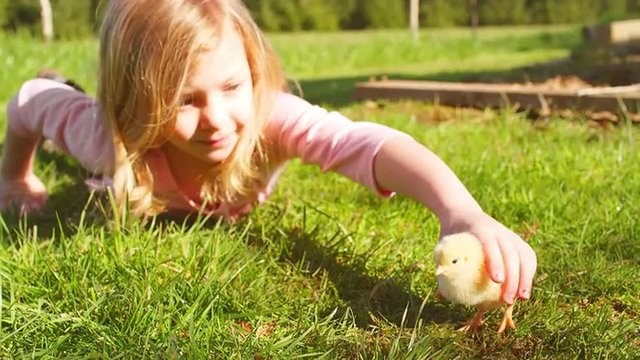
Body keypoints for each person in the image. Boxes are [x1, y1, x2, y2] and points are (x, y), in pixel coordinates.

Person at [0, 0, 536, 305]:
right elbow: (27, 101)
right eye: (185, 99)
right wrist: (16, 179)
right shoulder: (108, 136)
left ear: (254, 73)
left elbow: (364, 142)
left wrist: (459, 210)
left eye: (231, 86)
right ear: (137, 104)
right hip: (108, 135)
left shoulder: (267, 117)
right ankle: (69, 84)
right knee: (68, 126)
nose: (215, 119)